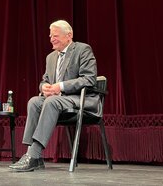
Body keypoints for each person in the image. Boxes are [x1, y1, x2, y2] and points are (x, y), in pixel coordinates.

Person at [9, 20, 100, 172]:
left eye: (55, 35)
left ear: (68, 35)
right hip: (57, 99)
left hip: (79, 99)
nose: (51, 39)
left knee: (51, 101)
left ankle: (33, 154)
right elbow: (45, 80)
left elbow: (89, 79)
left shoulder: (83, 49)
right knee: (34, 101)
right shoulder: (50, 57)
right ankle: (34, 155)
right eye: (50, 36)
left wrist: (61, 86)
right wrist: (43, 87)